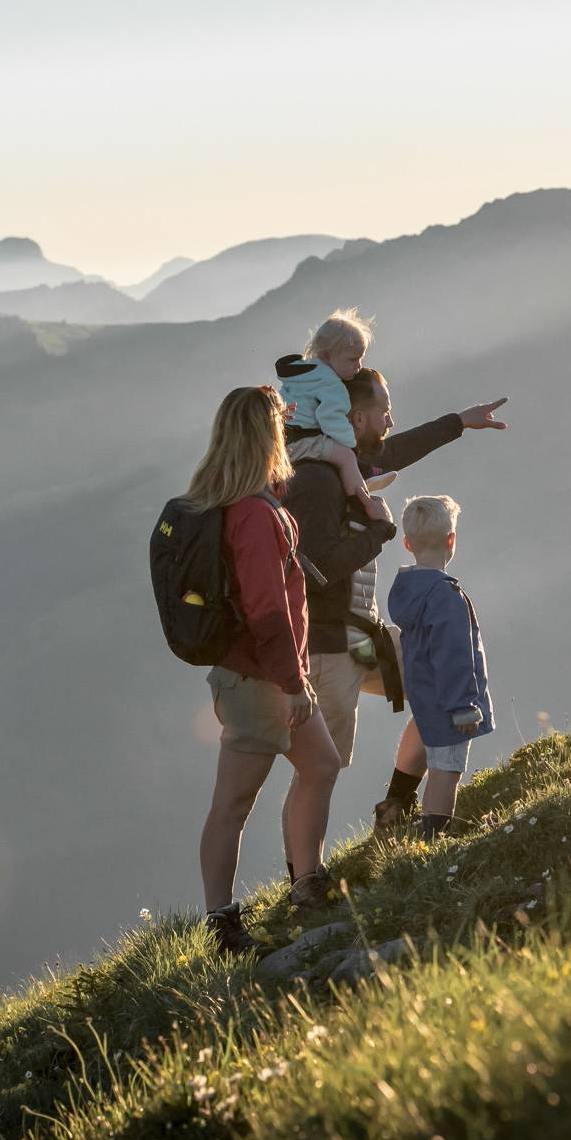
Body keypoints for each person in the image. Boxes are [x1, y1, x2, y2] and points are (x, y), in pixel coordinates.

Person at [281, 366, 507, 822]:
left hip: (361, 638)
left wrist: (459, 422)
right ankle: (305, 878)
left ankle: (397, 802)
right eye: (382, 410)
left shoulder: (348, 468)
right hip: (327, 648)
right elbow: (318, 568)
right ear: (356, 417)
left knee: (440, 685)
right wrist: (379, 530)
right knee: (319, 771)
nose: (390, 420)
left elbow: (397, 452)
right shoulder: (317, 479)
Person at [189, 385, 343, 953]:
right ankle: (222, 923)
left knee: (321, 764)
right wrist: (293, 682)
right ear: (264, 438)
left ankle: (308, 884)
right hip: (261, 679)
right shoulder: (252, 515)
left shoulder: (248, 502)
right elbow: (266, 608)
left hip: (265, 674)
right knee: (232, 802)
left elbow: (275, 505)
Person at [384, 495, 493, 838]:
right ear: (452, 540)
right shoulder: (447, 596)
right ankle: (433, 841)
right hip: (450, 702)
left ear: (407, 543)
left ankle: (394, 807)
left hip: (425, 691)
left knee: (422, 733)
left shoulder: (407, 589)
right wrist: (464, 707)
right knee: (445, 771)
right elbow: (455, 655)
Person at [275, 309, 388, 520]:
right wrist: (350, 444)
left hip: (285, 440)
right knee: (344, 455)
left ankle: (358, 474)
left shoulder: (304, 372)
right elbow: (330, 419)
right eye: (353, 360)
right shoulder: (331, 384)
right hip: (300, 441)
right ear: (328, 356)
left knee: (336, 451)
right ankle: (358, 504)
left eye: (361, 359)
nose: (359, 366)